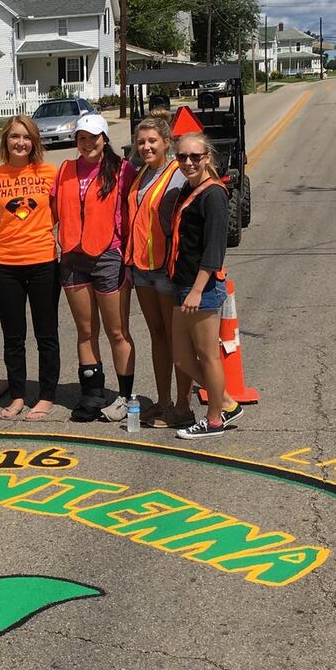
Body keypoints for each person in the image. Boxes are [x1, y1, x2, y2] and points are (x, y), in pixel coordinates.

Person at [54, 113, 136, 423]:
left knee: (117, 331)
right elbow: (48, 210)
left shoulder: (122, 170)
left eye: (93, 137)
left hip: (108, 256)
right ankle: (92, 395)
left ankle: (125, 397)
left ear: (104, 138)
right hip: (73, 256)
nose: (87, 143)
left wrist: (130, 257)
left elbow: (135, 210)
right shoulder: (65, 170)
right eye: (81, 138)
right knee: (86, 331)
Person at [167, 132, 243, 439]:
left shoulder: (213, 194)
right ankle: (224, 400)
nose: (188, 162)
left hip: (203, 288)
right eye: (182, 157)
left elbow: (214, 250)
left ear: (207, 158)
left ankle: (214, 419)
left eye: (195, 157)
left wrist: (198, 290)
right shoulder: (189, 188)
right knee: (182, 357)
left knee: (207, 355)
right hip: (183, 284)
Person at [0, 114, 59, 420]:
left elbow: (61, 212)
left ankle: (46, 395)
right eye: (15, 136)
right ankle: (17, 395)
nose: (20, 142)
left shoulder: (49, 172)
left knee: (46, 333)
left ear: (34, 141)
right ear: (6, 140)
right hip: (6, 264)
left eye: (26, 137)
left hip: (43, 261)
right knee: (13, 335)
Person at [126, 116, 191, 427]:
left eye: (152, 140)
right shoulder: (142, 174)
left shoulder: (177, 176)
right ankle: (163, 401)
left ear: (167, 142)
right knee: (158, 336)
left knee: (176, 338)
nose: (146, 146)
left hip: (166, 270)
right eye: (141, 142)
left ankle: (182, 406)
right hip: (141, 268)